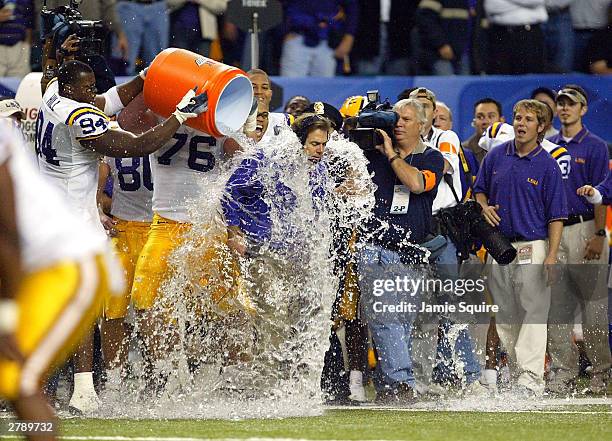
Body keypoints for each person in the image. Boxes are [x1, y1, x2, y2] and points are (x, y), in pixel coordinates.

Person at [35, 58, 209, 413]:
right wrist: (180, 115)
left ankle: (48, 390)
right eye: (85, 89)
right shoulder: (79, 117)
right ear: (70, 89)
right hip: (71, 225)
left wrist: (147, 77)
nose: (92, 95)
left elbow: (107, 99)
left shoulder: (51, 93)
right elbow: (138, 146)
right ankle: (80, 389)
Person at [0, 119, 122, 440]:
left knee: (18, 377)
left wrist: (8, 321)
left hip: (68, 264)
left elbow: (7, 235)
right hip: (38, 266)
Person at [474, 99, 568, 396]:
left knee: (534, 311)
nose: (521, 123)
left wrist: (551, 255)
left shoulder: (548, 165)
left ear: (541, 127)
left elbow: (556, 216)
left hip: (533, 244)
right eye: (517, 118)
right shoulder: (496, 155)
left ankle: (530, 379)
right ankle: (518, 376)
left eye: (528, 119)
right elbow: (479, 191)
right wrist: (484, 206)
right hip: (499, 247)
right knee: (505, 315)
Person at [356, 98, 444, 403]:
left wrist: (392, 155)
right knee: (386, 319)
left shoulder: (432, 158)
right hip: (376, 248)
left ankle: (388, 385)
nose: (399, 124)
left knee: (401, 324)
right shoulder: (372, 154)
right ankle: (403, 383)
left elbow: (416, 184)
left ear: (423, 125)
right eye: (396, 119)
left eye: (407, 119)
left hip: (411, 252)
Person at [547, 85, 611, 394]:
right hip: (555, 230)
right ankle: (564, 372)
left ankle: (601, 372)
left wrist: (599, 233)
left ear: (583, 109)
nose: (564, 108)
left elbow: (603, 193)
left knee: (593, 308)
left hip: (587, 227)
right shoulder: (547, 145)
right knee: (556, 308)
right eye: (560, 104)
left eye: (571, 104)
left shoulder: (596, 146)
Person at [280, 1, 358, 77]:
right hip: (297, 36)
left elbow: (352, 6)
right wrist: (283, 30)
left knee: (325, 87)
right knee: (292, 86)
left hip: (328, 39)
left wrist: (349, 37)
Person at [484, 0, 547, 74]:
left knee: (532, 78)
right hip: (500, 33)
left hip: (528, 33)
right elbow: (492, 6)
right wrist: (523, 5)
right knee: (500, 78)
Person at [415, 0, 471, 75]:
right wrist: (441, 44)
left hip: (460, 53)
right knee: (447, 84)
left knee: (464, 83)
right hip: (437, 54)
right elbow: (425, 20)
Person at [462, 98, 504, 165]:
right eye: (480, 117)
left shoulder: (513, 147)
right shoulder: (464, 151)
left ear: (501, 120)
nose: (485, 121)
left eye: (491, 116)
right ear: (474, 122)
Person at [0, 0, 33, 77]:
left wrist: (27, 44)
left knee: (19, 79)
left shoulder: (26, 1)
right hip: (1, 46)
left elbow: (30, 22)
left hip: (20, 46)